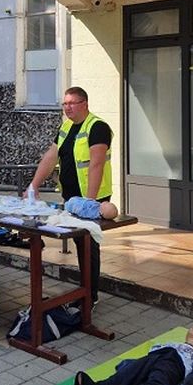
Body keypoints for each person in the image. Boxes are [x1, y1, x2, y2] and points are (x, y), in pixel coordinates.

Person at [28, 87, 112, 304]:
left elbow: (96, 164)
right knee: (79, 243)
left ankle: (90, 297)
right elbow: (50, 156)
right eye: (65, 103)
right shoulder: (66, 126)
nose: (67, 108)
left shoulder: (98, 127)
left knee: (88, 245)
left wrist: (89, 202)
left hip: (92, 199)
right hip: (72, 199)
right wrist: (34, 185)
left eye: (72, 103)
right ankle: (85, 290)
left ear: (85, 104)